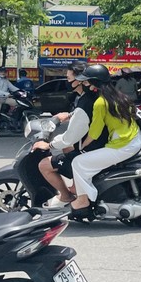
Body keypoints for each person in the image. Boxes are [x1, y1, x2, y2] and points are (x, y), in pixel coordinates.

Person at [68, 64, 141, 217]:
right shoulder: (119, 95)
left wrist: (80, 147)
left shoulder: (100, 102)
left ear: (94, 82)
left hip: (123, 145)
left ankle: (83, 200)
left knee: (78, 162)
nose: (85, 84)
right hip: (137, 139)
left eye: (87, 81)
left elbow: (94, 133)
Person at [33, 62, 109, 208]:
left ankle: (67, 196)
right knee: (66, 148)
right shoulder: (91, 96)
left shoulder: (85, 103)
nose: (67, 82)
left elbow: (70, 136)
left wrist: (48, 144)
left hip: (90, 149)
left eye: (69, 79)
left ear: (80, 80)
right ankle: (76, 186)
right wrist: (69, 115)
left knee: (44, 165)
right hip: (99, 144)